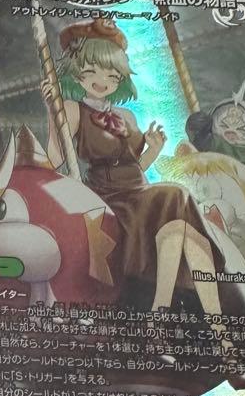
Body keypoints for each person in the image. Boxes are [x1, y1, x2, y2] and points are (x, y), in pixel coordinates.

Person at [42, 17, 232, 327]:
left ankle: (187, 313)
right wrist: (53, 114)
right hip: (109, 200)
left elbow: (135, 168)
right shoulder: (74, 110)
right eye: (93, 71)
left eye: (111, 74)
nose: (102, 80)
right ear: (77, 71)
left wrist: (153, 150)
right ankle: (179, 310)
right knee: (175, 195)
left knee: (177, 213)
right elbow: (53, 160)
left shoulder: (126, 116)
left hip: (139, 192)